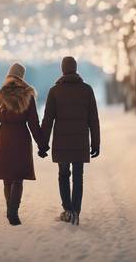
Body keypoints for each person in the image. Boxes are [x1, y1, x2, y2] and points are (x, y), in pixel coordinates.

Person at [0, 62, 48, 226]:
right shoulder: (28, 96)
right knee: (18, 178)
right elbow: (34, 123)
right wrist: (42, 145)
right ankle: (13, 212)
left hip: (4, 139)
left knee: (7, 178)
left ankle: (10, 209)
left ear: (8, 76)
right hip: (21, 138)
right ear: (22, 78)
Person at [40, 56, 100, 226]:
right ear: (75, 69)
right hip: (80, 142)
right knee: (78, 177)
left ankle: (67, 209)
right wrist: (96, 143)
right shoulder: (87, 90)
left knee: (64, 175)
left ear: (62, 70)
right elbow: (93, 119)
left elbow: (48, 120)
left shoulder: (54, 91)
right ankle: (76, 211)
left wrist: (43, 145)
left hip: (62, 143)